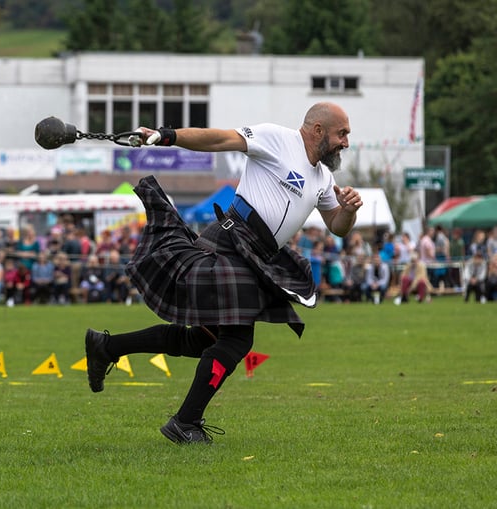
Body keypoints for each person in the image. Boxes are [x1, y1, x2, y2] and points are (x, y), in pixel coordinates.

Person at [83, 102, 362, 443]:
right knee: (236, 339)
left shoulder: (324, 177)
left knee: (202, 338)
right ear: (318, 130)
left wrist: (348, 211)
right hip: (231, 241)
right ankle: (185, 422)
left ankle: (107, 347)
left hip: (258, 257)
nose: (345, 142)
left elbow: (338, 226)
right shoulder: (277, 139)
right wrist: (167, 135)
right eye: (341, 134)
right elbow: (218, 140)